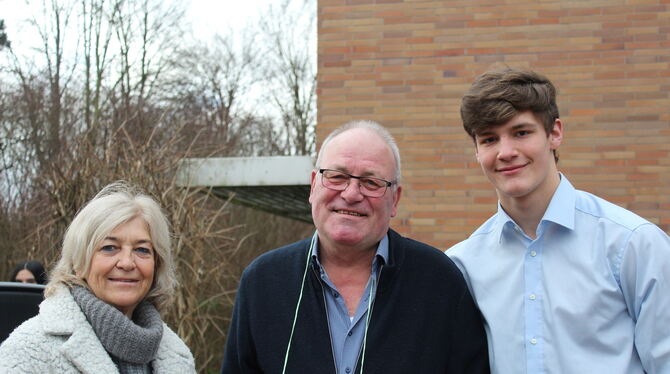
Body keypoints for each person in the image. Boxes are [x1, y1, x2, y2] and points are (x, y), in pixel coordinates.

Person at [447, 67, 670, 373]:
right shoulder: (463, 265)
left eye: (521, 133)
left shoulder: (632, 244)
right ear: (476, 150)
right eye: (489, 139)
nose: (506, 152)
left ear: (555, 133)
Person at [221, 120, 489, 373]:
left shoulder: (440, 282)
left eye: (371, 182)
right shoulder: (263, 282)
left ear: (394, 200)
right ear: (314, 185)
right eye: (337, 177)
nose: (350, 194)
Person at [0, 182, 196, 373]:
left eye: (142, 249)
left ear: (157, 264)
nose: (127, 263)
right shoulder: (28, 353)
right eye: (109, 247)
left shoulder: (179, 357)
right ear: (79, 263)